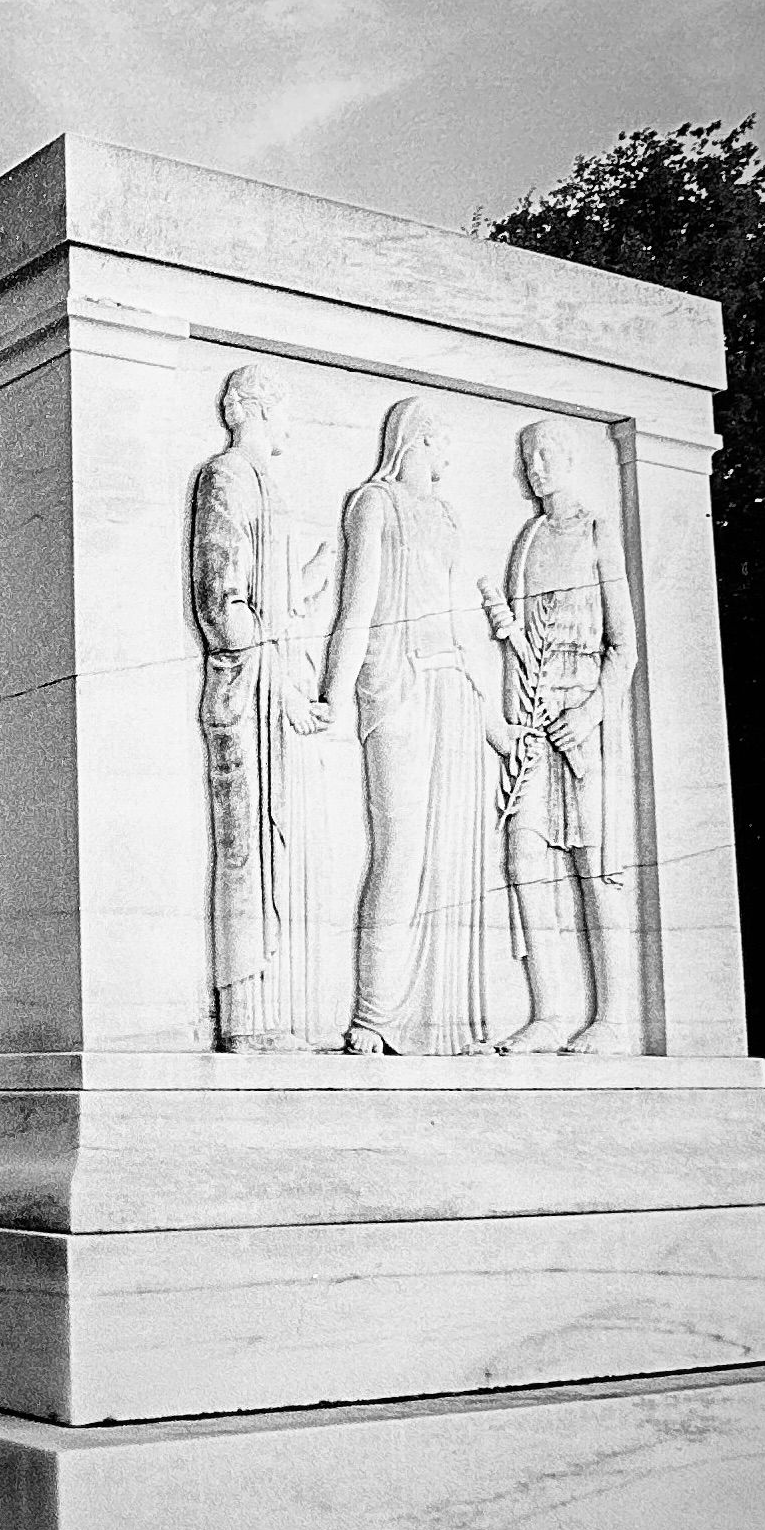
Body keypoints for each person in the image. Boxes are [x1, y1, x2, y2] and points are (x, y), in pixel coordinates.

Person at [317, 397, 507, 1055]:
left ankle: (443, 1024)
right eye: (440, 442)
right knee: (397, 851)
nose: (447, 456)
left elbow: (458, 619)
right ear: (417, 439)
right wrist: (332, 694)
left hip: (452, 689)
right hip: (395, 684)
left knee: (450, 855)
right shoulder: (374, 503)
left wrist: (494, 725)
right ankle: (372, 1015)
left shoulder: (447, 515)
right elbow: (358, 603)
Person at [190, 366, 336, 1050]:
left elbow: (274, 601)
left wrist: (314, 575)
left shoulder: (264, 483)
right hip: (245, 693)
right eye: (282, 408)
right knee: (244, 848)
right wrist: (278, 680)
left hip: (274, 686)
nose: (289, 423)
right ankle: (245, 1017)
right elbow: (222, 602)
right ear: (255, 408)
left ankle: (278, 1009)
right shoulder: (225, 475)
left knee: (276, 845)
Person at [487, 421, 639, 1052]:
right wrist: (516, 720)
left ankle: (614, 1017)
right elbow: (514, 651)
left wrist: (594, 710)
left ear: (570, 460)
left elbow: (623, 646)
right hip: (534, 719)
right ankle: (550, 1011)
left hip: (584, 719)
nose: (536, 468)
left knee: (592, 867)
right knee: (524, 857)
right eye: (528, 459)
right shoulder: (529, 538)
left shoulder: (596, 532)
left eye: (546, 455)